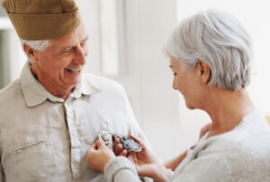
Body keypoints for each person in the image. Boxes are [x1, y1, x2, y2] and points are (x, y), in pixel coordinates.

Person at [87, 9, 270, 182]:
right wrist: (161, 170)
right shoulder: (252, 127)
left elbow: (218, 167)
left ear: (202, 70)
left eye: (175, 72)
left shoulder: (224, 155)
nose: (174, 85)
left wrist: (113, 165)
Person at [0, 0, 148, 181]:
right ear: (31, 52)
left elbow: (146, 170)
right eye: (68, 49)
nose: (82, 59)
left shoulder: (114, 95)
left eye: (84, 42)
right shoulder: (3, 112)